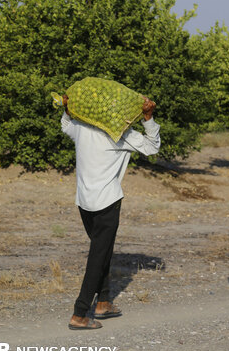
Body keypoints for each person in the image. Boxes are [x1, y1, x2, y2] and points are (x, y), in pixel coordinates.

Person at [61, 94, 160, 330]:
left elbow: (65, 125)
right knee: (97, 257)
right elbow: (152, 146)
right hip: (107, 203)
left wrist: (66, 108)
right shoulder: (123, 135)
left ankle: (103, 302)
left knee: (101, 250)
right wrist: (148, 117)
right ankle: (80, 313)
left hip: (83, 202)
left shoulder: (82, 128)